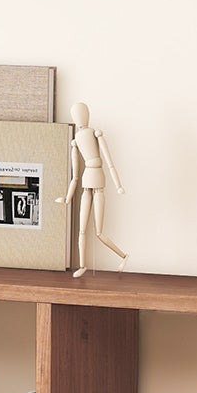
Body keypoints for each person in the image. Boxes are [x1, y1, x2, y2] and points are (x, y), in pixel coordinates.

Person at [57, 102, 126, 274]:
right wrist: (67, 198)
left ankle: (123, 256)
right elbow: (75, 176)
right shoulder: (75, 141)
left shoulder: (96, 133)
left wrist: (118, 185)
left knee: (99, 232)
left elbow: (109, 162)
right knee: (82, 230)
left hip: (98, 179)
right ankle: (83, 266)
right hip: (87, 180)